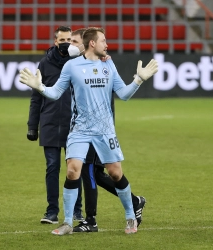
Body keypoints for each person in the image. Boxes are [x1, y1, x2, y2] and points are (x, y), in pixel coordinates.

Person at [19, 27, 158, 235]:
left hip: (105, 130)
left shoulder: (108, 64)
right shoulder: (72, 67)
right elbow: (56, 93)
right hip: (80, 129)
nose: (107, 44)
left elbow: (124, 94)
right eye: (103, 40)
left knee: (115, 172)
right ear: (92, 43)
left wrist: (139, 79)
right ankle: (67, 222)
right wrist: (40, 87)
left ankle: (130, 216)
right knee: (73, 170)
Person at [69, 28, 146, 233]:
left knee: (92, 171)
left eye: (74, 41)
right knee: (88, 171)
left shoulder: (102, 63)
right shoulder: (70, 65)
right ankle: (133, 201)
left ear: (86, 43)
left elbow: (120, 92)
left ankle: (91, 219)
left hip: (97, 127)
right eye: (67, 41)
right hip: (74, 125)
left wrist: (137, 79)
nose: (71, 45)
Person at [27, 26, 83, 224]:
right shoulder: (44, 64)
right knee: (52, 168)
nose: (66, 43)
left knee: (75, 169)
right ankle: (52, 211)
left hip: (74, 125)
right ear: (55, 42)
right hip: (49, 123)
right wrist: (32, 126)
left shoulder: (79, 63)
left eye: (69, 39)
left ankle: (77, 210)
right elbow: (36, 97)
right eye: (62, 40)